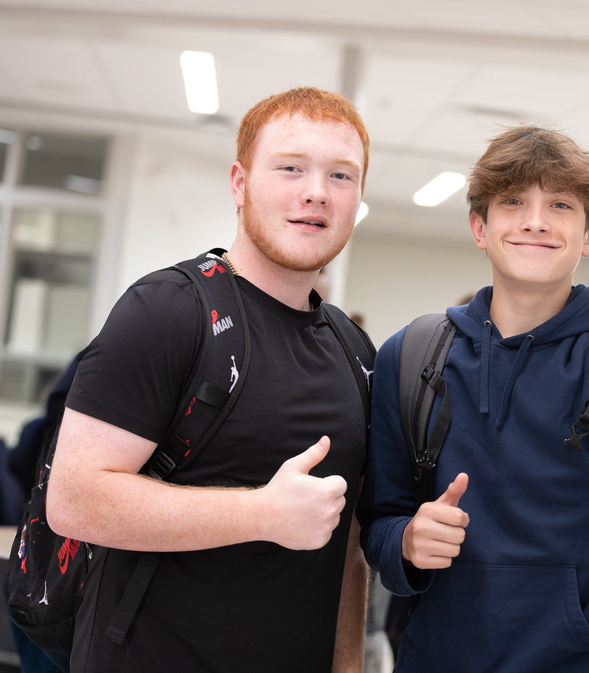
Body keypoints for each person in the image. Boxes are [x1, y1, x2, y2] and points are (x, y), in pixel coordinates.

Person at [358, 126, 589, 672]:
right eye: (513, 202)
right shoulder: (410, 359)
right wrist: (407, 542)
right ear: (479, 227)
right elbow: (379, 521)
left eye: (559, 204)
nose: (535, 220)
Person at [47, 87, 373, 672]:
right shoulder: (169, 310)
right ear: (240, 183)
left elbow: (345, 541)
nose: (316, 192)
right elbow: (74, 499)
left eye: (341, 176)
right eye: (291, 167)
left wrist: (348, 664)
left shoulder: (355, 351)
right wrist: (261, 515)